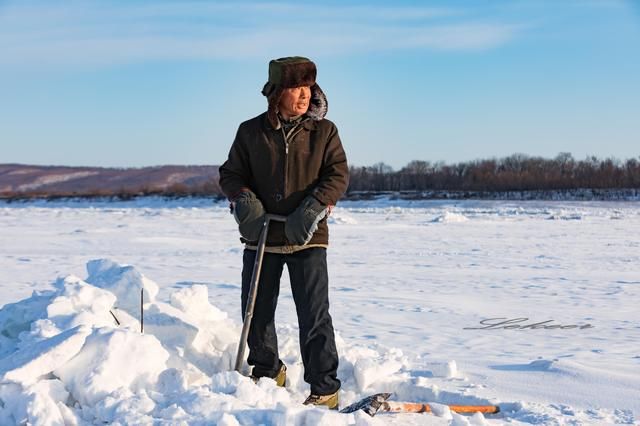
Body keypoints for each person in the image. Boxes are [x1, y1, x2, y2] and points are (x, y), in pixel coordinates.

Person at [218, 57, 349, 409]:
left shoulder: (325, 132)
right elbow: (230, 173)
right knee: (257, 310)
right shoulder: (250, 132)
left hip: (308, 237)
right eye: (295, 89)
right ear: (277, 94)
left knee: (314, 315)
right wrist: (243, 198)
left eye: (308, 88)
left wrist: (313, 206)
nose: (304, 96)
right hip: (263, 236)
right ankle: (267, 370)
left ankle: (325, 388)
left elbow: (337, 174)